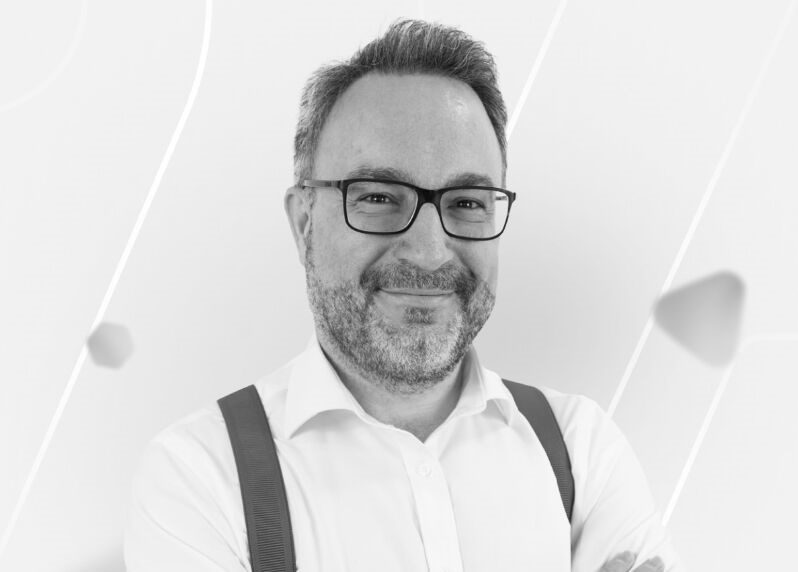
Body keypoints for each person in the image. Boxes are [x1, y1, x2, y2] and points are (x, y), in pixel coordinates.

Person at [124, 19, 683, 572]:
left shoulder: (583, 449)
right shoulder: (199, 476)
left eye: (467, 202)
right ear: (304, 222)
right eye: (378, 197)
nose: (430, 251)